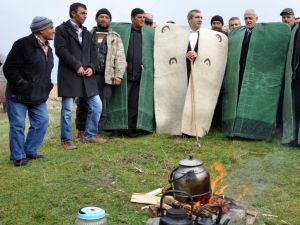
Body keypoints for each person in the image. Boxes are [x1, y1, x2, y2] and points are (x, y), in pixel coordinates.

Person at [153, 9, 228, 137]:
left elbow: (212, 54)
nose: (200, 19)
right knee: (180, 98)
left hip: (200, 73)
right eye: (197, 17)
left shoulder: (207, 37)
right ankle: (177, 128)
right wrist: (185, 52)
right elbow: (173, 50)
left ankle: (194, 128)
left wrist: (199, 54)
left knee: (197, 99)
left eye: (201, 17)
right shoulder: (181, 35)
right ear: (189, 20)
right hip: (182, 71)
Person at [222, 9, 291, 140]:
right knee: (238, 101)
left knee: (253, 102)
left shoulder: (263, 34)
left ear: (256, 18)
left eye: (251, 18)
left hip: (256, 75)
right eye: (246, 18)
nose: (248, 21)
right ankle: (236, 129)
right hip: (240, 72)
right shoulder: (239, 34)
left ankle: (253, 131)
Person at [3, 16, 54, 166]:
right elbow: (9, 68)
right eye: (51, 28)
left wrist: (47, 86)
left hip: (38, 96)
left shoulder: (48, 48)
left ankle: (29, 151)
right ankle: (18, 157)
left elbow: (45, 71)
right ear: (41, 30)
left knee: (42, 122)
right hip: (18, 95)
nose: (53, 30)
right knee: (18, 125)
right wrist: (22, 84)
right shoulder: (22, 44)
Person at [55, 2, 106, 150]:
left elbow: (94, 55)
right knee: (67, 110)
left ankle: (89, 135)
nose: (85, 16)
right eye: (82, 13)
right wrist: (77, 66)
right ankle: (66, 140)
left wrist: (92, 67)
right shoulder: (61, 30)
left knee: (97, 106)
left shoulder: (87, 33)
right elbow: (61, 50)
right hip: (69, 75)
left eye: (86, 13)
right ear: (73, 13)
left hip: (87, 77)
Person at [75, 8, 126, 140]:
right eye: (101, 16)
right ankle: (81, 131)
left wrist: (119, 75)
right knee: (83, 103)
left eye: (106, 17)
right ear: (96, 19)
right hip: (87, 75)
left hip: (106, 76)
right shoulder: (86, 34)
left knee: (102, 105)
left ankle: (95, 133)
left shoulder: (115, 37)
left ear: (110, 20)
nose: (104, 19)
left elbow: (120, 58)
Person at [106, 8, 155, 137]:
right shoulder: (124, 33)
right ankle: (116, 129)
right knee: (119, 101)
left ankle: (130, 129)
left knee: (134, 104)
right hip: (124, 75)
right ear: (132, 18)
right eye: (140, 17)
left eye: (144, 18)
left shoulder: (147, 34)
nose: (143, 20)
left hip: (140, 76)